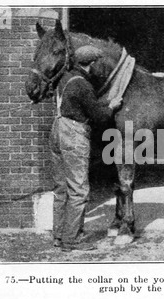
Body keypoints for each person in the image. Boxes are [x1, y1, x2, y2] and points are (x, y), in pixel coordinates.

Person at [50, 50, 122, 252]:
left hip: (57, 128)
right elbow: (99, 116)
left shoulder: (65, 78)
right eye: (97, 63)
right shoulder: (83, 84)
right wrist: (113, 106)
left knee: (60, 188)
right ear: (91, 63)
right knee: (78, 189)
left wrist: (101, 104)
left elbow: (84, 104)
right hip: (73, 133)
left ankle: (59, 236)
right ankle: (72, 240)